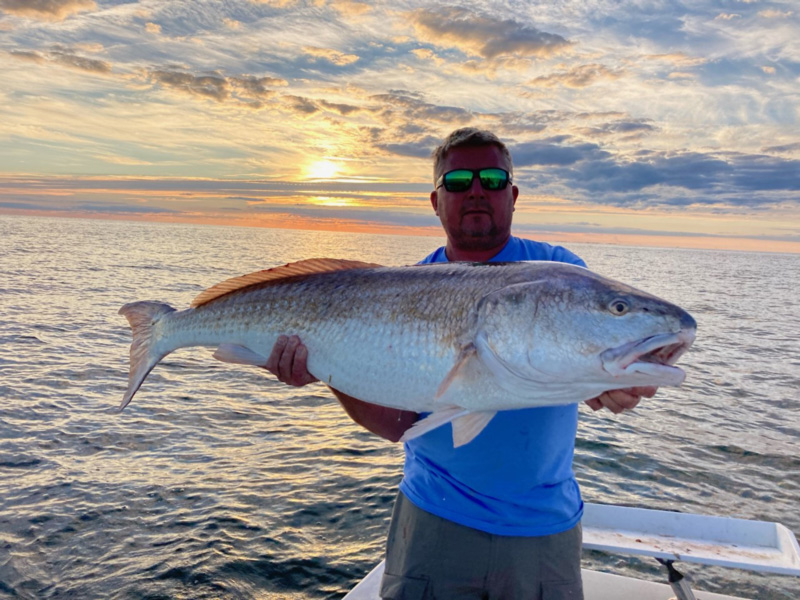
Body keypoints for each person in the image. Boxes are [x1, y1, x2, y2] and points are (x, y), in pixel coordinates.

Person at [265, 128, 656, 599]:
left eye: (492, 179)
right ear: (435, 200)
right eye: (458, 181)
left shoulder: (560, 274)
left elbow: (582, 369)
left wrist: (613, 385)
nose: (476, 190)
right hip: (434, 522)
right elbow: (398, 425)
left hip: (542, 528)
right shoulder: (399, 292)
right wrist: (328, 369)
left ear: (512, 196)